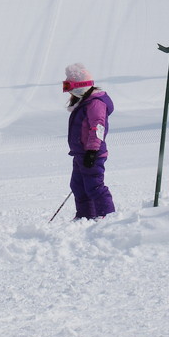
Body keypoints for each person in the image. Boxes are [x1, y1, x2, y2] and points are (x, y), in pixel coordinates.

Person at [63, 62, 115, 220]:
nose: (68, 93)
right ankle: (85, 216)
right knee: (78, 186)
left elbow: (97, 127)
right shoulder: (85, 101)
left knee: (94, 186)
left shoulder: (95, 103)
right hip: (80, 153)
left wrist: (92, 151)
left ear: (79, 86)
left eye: (69, 86)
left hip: (93, 154)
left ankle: (106, 216)